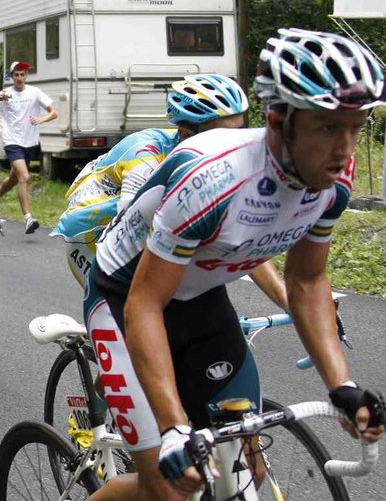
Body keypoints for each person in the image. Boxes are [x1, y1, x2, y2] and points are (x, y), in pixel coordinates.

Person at [82, 29, 385, 500]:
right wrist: (175, 428)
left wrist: (341, 385)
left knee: (244, 471)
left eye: (356, 127)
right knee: (167, 486)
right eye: (328, 127)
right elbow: (145, 304)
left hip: (200, 297)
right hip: (125, 299)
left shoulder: (333, 179)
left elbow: (306, 279)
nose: (346, 149)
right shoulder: (211, 180)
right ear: (279, 121)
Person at [52, 74, 285, 300]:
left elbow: (243, 240)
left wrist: (288, 301)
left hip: (146, 227)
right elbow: (132, 230)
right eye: (224, 136)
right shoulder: (145, 156)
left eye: (239, 133)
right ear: (185, 134)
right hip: (95, 235)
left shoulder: (221, 163)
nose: (235, 145)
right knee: (140, 310)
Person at [0, 60, 58, 234]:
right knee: (24, 176)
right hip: (12, 141)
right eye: (16, 75)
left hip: (29, 142)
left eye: (23, 74)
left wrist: (41, 119)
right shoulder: (5, 93)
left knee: (14, 178)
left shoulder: (35, 92)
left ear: (26, 76)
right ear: (12, 76)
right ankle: (28, 218)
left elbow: (54, 112)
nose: (20, 78)